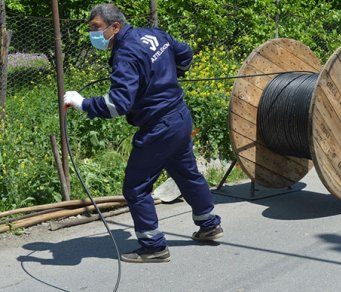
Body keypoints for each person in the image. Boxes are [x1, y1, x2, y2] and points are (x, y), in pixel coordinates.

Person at [64, 3, 223, 263]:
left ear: (115, 27)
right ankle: (209, 224)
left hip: (159, 127)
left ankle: (153, 246)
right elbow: (185, 53)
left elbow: (118, 104)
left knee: (136, 187)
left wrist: (82, 103)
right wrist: (170, 76)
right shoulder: (153, 34)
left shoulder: (125, 53)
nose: (92, 34)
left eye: (96, 28)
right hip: (180, 116)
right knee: (186, 172)